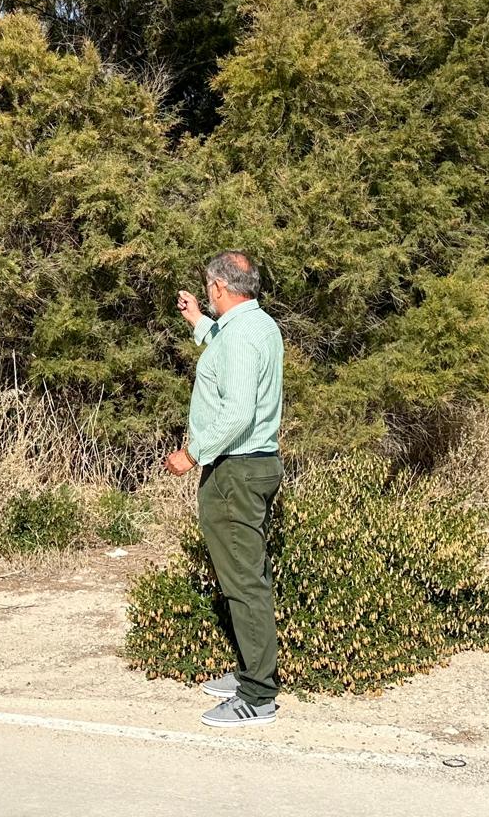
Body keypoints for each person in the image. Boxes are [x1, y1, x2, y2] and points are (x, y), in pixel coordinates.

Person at [164, 250, 285, 728]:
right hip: (256, 465)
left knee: (243, 581)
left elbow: (236, 413)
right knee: (246, 574)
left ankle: (257, 695)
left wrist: (191, 453)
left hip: (235, 470)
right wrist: (197, 320)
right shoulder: (259, 327)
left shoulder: (239, 338)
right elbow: (225, 351)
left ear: (218, 287)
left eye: (206, 291)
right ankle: (252, 673)